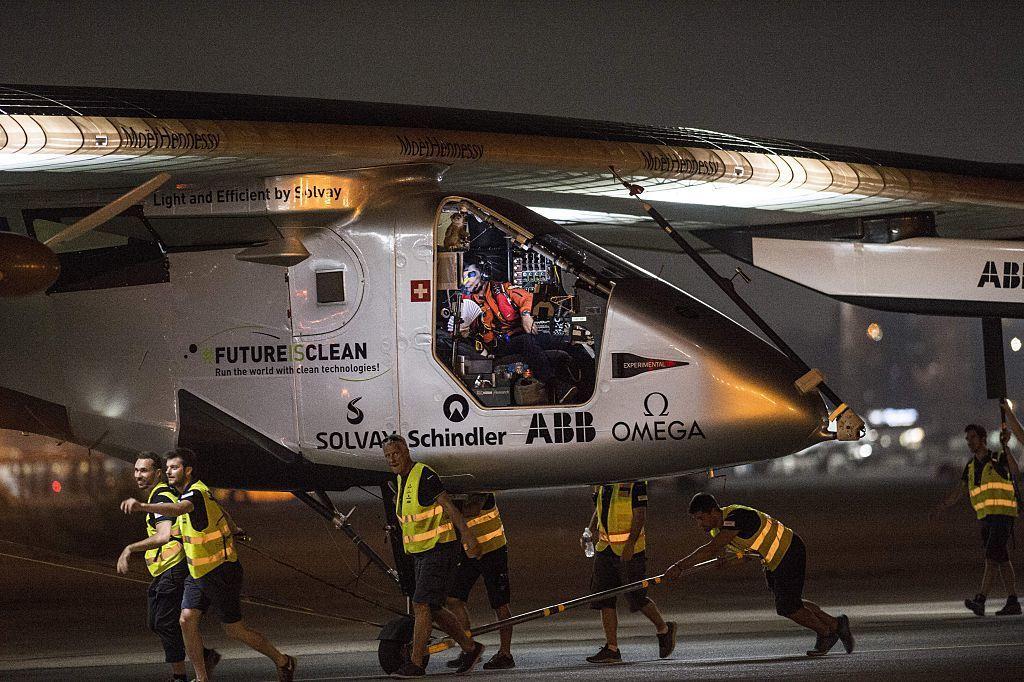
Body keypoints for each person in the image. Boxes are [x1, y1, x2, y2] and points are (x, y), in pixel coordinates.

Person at [121, 448, 296, 682]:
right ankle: (202, 678)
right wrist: (235, 529)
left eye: (175, 468)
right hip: (198, 572)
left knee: (234, 630)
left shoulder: (196, 493)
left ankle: (283, 661)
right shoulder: (181, 493)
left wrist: (142, 507)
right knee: (185, 619)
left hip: (221, 571)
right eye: (168, 467)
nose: (170, 472)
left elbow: (181, 509)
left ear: (188, 470)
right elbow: (220, 511)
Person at [667, 493, 853, 657]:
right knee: (791, 602)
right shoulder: (719, 529)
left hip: (788, 551)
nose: (699, 524)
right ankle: (836, 624)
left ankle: (827, 634)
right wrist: (727, 562)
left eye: (701, 518)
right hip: (774, 559)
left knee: (788, 607)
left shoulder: (735, 517)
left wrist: (679, 566)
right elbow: (747, 555)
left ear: (713, 511)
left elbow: (711, 549)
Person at [385, 434, 486, 678]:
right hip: (421, 553)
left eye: (395, 453)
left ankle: (416, 663)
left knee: (421, 604)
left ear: (406, 451)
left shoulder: (424, 475)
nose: (392, 459)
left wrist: (467, 535)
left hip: (439, 549)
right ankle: (471, 649)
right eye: (387, 456)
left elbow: (448, 506)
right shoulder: (400, 481)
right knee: (433, 607)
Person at [116, 452, 220, 682]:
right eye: (136, 470)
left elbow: (163, 536)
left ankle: (179, 675)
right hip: (167, 568)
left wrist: (130, 549)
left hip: (173, 567)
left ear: (158, 473)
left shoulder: (161, 497)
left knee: (163, 622)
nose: (138, 475)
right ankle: (204, 656)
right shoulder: (163, 494)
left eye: (144, 470)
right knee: (161, 622)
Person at [458, 259, 576, 403]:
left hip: (520, 335)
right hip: (497, 346)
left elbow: (526, 297)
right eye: (464, 277)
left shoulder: (502, 290)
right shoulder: (464, 303)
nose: (468, 280)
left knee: (564, 340)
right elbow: (463, 330)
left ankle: (582, 384)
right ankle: (554, 384)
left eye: (471, 274)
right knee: (526, 341)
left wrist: (526, 315)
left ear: (482, 273)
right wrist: (464, 332)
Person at [583, 480, 676, 664]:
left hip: (630, 551)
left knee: (637, 597)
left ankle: (664, 629)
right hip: (605, 548)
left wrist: (630, 544)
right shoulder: (603, 483)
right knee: (604, 598)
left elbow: (640, 516)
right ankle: (612, 648)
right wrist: (589, 531)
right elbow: (600, 510)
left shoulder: (636, 483)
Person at [935, 419, 1020, 616]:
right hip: (986, 519)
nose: (969, 441)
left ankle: (981, 599)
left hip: (1003, 515)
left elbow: (1015, 471)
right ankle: (1013, 601)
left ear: (983, 439)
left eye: (973, 437)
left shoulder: (998, 457)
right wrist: (943, 506)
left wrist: (1006, 447)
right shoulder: (971, 466)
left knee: (991, 558)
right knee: (1001, 559)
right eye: (967, 439)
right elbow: (960, 490)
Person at [445, 493, 515, 670]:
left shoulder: (482, 486)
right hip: (470, 551)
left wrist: (447, 507)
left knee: (500, 604)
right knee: (453, 598)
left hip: (493, 550)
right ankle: (469, 648)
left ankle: (505, 654)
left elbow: (473, 510)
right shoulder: (460, 487)